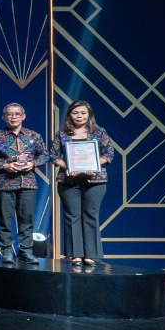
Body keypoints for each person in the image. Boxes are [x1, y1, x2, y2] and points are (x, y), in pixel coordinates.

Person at [0, 102, 48, 265]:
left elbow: (45, 155)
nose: (13, 117)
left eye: (17, 114)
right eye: (9, 114)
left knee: (26, 220)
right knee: (4, 220)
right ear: (4, 117)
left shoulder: (34, 136)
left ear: (23, 117)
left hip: (28, 183)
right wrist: (4, 166)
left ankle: (26, 251)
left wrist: (33, 164)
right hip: (4, 184)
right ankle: (7, 251)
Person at [50, 100, 115, 269]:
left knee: (91, 214)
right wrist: (67, 166)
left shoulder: (99, 132)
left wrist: (95, 165)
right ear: (69, 115)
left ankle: (91, 255)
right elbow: (53, 155)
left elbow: (109, 153)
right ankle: (76, 254)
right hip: (69, 181)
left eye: (83, 113)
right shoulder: (62, 134)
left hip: (95, 181)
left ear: (89, 115)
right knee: (72, 216)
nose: (79, 116)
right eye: (75, 113)